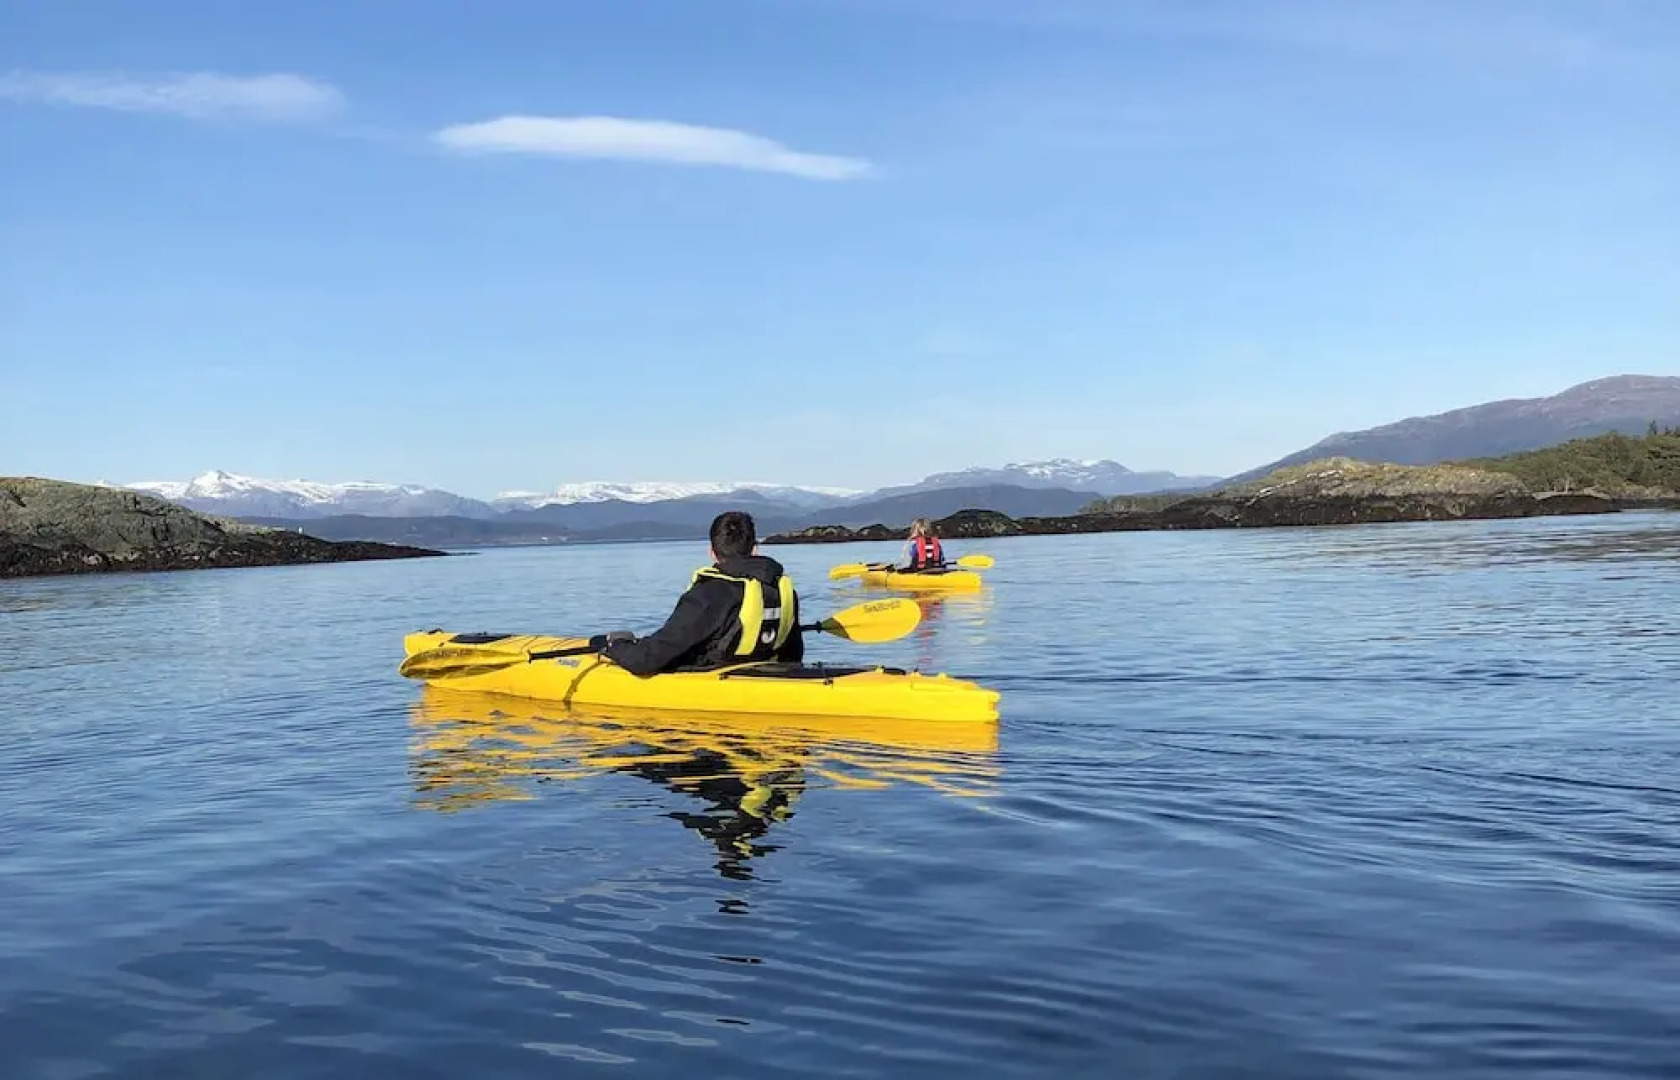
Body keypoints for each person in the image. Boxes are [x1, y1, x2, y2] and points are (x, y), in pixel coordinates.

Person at [597, 510, 804, 677]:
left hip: (713, 679)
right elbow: (792, 656)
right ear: (755, 549)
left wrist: (615, 645)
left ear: (712, 552)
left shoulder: (708, 594)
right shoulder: (782, 590)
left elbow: (644, 661)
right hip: (766, 678)